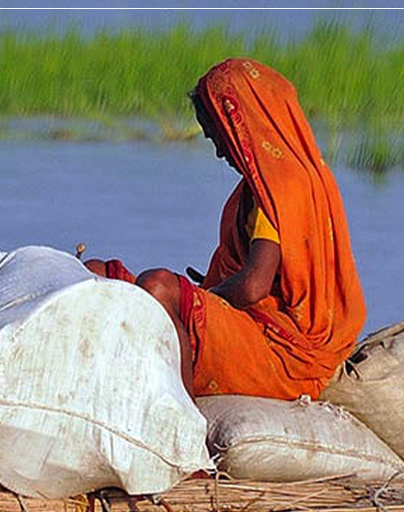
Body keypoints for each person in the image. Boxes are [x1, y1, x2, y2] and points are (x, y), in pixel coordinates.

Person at [86, 57, 367, 400]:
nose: (220, 151)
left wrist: (199, 299)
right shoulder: (262, 187)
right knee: (96, 275)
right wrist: (204, 292)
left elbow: (251, 287)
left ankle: (183, 421)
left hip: (286, 355)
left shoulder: (284, 189)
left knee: (157, 287)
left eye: (219, 136)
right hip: (253, 329)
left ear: (244, 123)